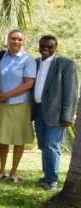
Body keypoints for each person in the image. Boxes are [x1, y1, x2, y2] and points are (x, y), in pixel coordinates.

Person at [33, 35, 79, 191]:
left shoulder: (65, 64)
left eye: (49, 46)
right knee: (44, 145)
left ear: (55, 47)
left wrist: (67, 115)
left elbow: (71, 92)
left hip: (56, 113)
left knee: (52, 146)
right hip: (39, 110)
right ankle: (47, 176)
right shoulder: (35, 63)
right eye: (43, 46)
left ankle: (52, 180)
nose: (45, 49)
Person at [0, 30, 36, 183]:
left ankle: (14, 171)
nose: (16, 42)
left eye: (19, 39)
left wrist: (7, 95)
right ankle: (2, 169)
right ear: (8, 39)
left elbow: (29, 83)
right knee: (3, 138)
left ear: (23, 42)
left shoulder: (28, 59)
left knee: (19, 138)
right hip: (1, 104)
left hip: (20, 104)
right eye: (13, 38)